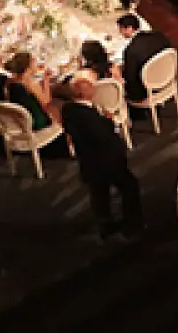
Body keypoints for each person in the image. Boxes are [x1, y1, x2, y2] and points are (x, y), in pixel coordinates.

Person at [61, 78, 144, 239]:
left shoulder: (68, 110)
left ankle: (105, 225)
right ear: (82, 93)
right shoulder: (89, 117)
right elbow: (102, 135)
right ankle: (132, 225)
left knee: (99, 193)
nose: (94, 88)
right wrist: (108, 121)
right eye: (89, 86)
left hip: (88, 161)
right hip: (106, 160)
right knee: (129, 187)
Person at [118, 15, 171, 104]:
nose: (120, 32)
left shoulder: (131, 50)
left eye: (121, 29)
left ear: (130, 28)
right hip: (168, 78)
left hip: (148, 89)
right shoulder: (158, 35)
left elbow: (131, 79)